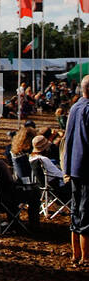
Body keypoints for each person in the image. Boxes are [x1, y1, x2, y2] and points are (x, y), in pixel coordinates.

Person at [63, 78, 89, 266]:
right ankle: (85, 256)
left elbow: (68, 137)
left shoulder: (74, 108)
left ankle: (75, 253)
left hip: (74, 166)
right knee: (86, 211)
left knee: (75, 208)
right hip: (87, 166)